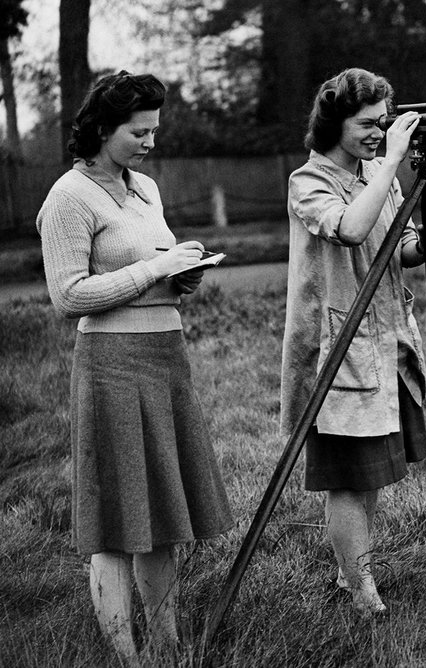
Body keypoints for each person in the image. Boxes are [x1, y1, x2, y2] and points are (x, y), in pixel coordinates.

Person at [36, 71, 234, 663]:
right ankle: (127, 658)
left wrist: (184, 273)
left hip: (165, 358)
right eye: (137, 131)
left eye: (154, 130)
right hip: (112, 364)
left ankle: (168, 647)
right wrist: (154, 270)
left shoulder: (146, 188)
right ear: (100, 128)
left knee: (163, 510)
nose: (150, 141)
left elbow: (153, 266)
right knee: (116, 519)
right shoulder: (67, 198)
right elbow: (68, 296)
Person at [280, 67, 426, 616]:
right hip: (339, 351)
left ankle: (348, 571)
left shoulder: (379, 172)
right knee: (349, 479)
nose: (379, 133)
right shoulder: (309, 181)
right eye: (367, 124)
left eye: (385, 122)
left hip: (383, 342)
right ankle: (361, 588)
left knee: (371, 471)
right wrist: (392, 164)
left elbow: (395, 247)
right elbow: (352, 228)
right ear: (334, 122)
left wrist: (423, 244)